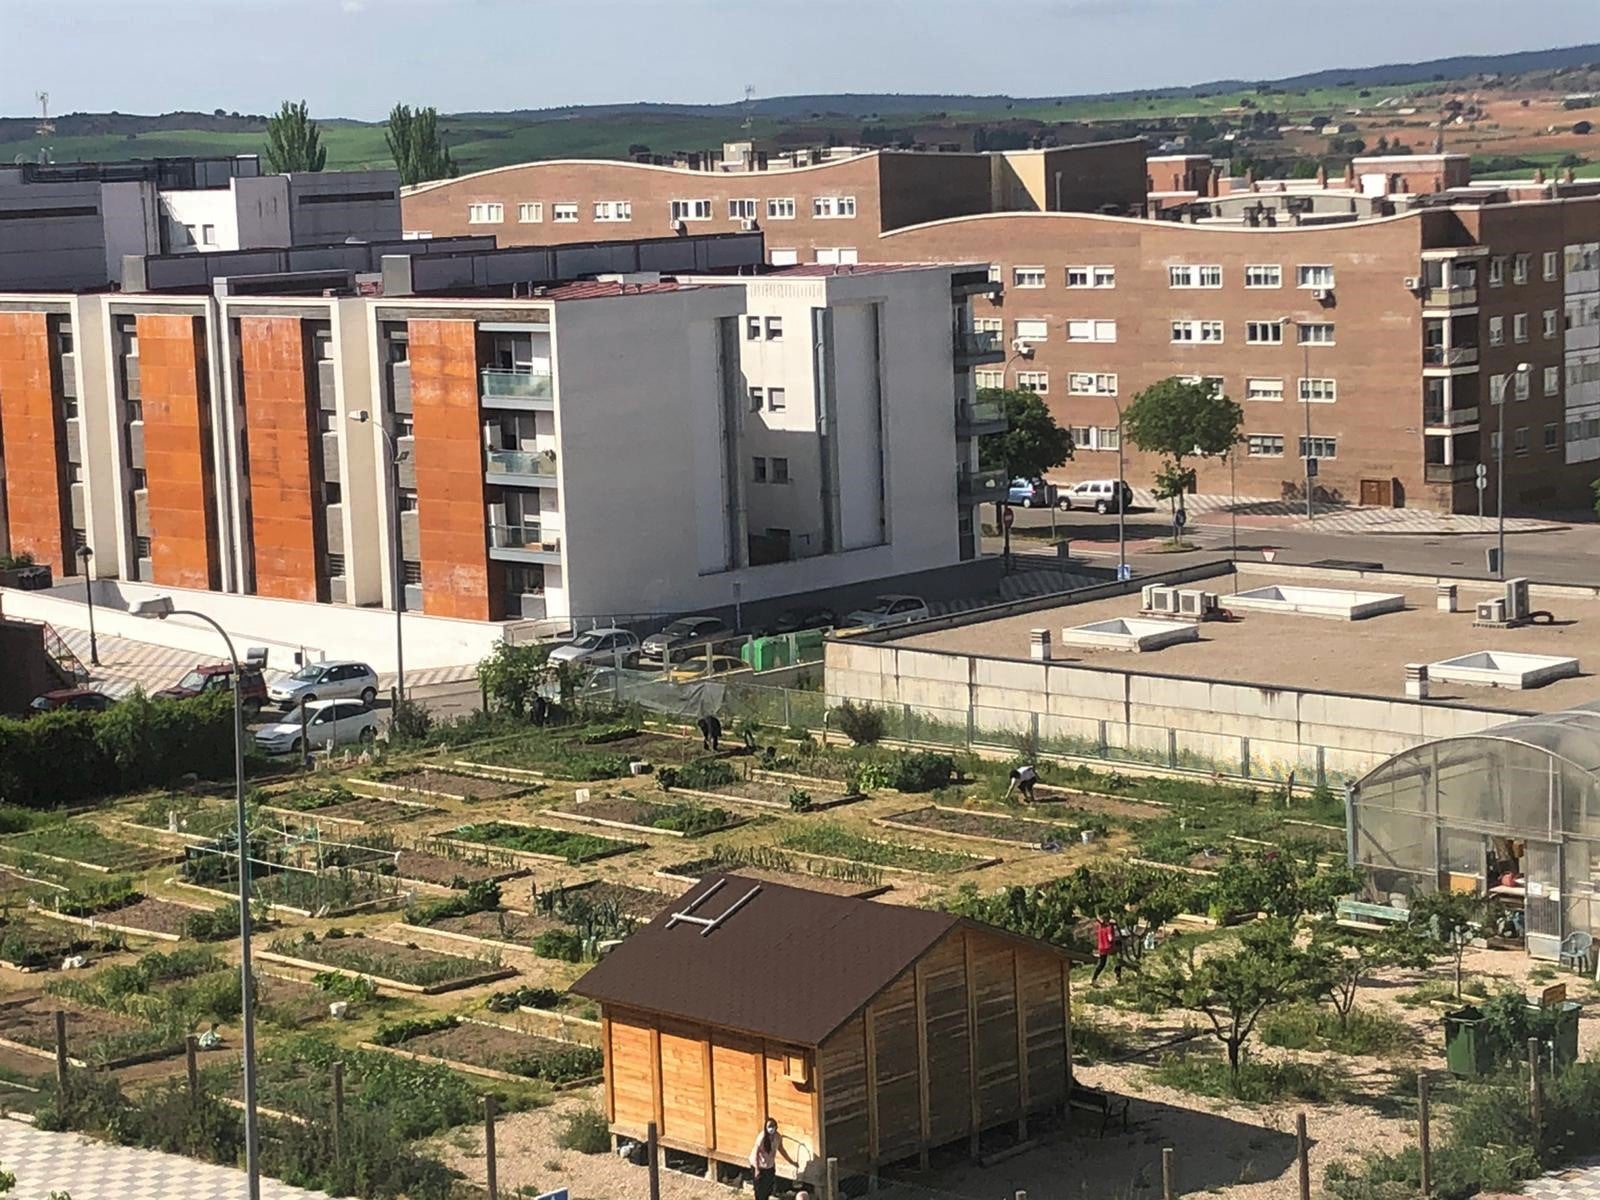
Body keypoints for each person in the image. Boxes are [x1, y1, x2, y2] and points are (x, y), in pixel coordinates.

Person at [749, 1117, 796, 1200]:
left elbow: (781, 1149)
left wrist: (791, 1162)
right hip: (759, 1166)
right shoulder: (762, 1137)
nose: (771, 1128)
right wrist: (757, 1169)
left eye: (773, 1126)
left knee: (768, 1189)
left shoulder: (777, 1137)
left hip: (769, 1166)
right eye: (769, 1126)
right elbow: (756, 1153)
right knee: (759, 1191)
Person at [1090, 915, 1122, 985]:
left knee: (1101, 964)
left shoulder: (1100, 926)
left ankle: (1094, 979)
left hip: (1102, 947)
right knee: (1117, 961)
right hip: (1110, 947)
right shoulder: (1109, 927)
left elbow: (1098, 919)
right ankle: (1118, 977)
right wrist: (1116, 939)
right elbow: (1110, 938)